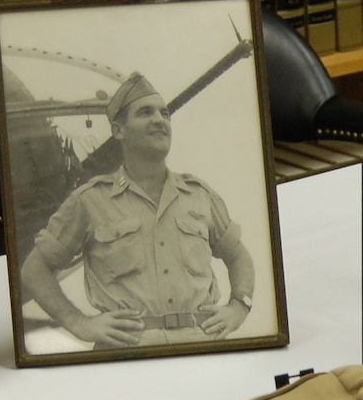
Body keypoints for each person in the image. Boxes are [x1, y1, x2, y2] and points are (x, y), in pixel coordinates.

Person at [21, 73, 256, 349]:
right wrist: (79, 324)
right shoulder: (89, 201)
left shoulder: (199, 195)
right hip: (128, 352)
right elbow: (34, 269)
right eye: (146, 112)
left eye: (165, 113)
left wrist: (239, 306)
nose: (160, 120)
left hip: (201, 344)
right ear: (119, 130)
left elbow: (238, 255)